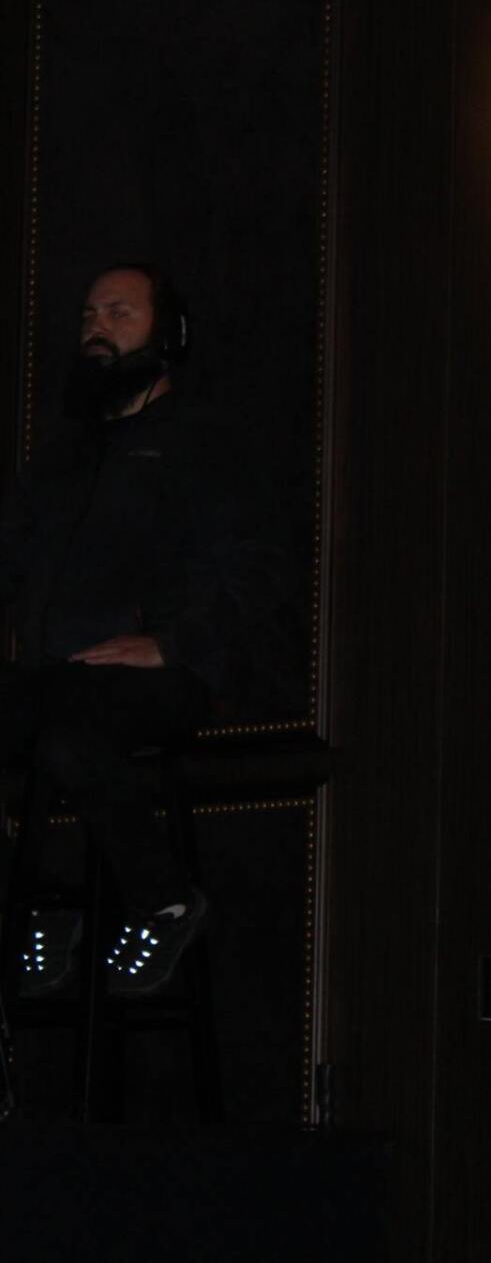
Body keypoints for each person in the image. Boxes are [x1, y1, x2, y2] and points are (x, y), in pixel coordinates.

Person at [3, 264, 285, 997]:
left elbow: (257, 569)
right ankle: (38, 901)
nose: (96, 327)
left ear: (169, 333)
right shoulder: (61, 457)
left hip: (160, 677)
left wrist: (170, 644)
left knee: (67, 732)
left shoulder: (206, 444)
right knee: (51, 716)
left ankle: (164, 900)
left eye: (118, 313)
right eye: (88, 314)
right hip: (56, 676)